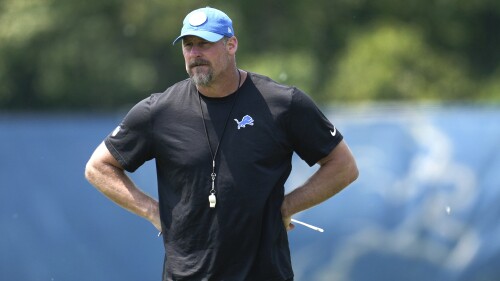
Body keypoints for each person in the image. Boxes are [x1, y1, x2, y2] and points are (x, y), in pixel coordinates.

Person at [85, 6, 358, 281]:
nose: (195, 54)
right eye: (189, 45)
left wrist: (287, 207)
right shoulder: (159, 111)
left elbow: (343, 166)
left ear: (231, 45)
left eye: (204, 44)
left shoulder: (283, 103)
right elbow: (98, 167)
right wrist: (151, 211)